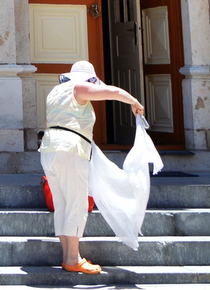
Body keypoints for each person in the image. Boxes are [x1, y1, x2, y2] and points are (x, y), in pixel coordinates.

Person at [39, 60, 144, 274]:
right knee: (76, 204)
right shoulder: (78, 88)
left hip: (49, 150)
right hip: (70, 151)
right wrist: (134, 102)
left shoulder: (55, 92)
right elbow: (110, 91)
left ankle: (69, 257)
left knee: (62, 205)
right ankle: (73, 258)